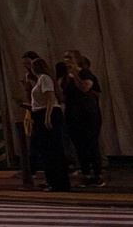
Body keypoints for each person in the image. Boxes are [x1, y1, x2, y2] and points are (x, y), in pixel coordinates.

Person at [61, 50, 104, 187]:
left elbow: (85, 88)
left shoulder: (85, 73)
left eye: (70, 57)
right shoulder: (65, 77)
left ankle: (98, 174)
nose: (66, 59)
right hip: (72, 114)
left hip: (88, 114)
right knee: (79, 145)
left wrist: (75, 76)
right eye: (65, 57)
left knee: (91, 143)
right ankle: (85, 173)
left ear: (77, 59)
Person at [28, 58, 70, 191]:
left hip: (47, 113)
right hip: (42, 113)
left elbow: (50, 98)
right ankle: (53, 180)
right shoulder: (41, 79)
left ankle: (57, 183)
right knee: (47, 150)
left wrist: (47, 117)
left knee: (52, 150)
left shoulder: (44, 78)